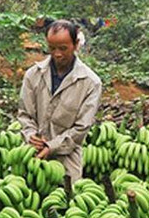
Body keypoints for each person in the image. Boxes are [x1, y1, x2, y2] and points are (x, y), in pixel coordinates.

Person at [17, 19, 102, 181]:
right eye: (52, 48)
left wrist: (52, 146)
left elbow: (81, 128)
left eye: (63, 48)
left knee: (65, 202)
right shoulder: (33, 75)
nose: (57, 54)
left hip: (67, 160)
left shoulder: (90, 83)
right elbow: (25, 114)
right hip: (31, 154)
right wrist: (30, 135)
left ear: (76, 44)